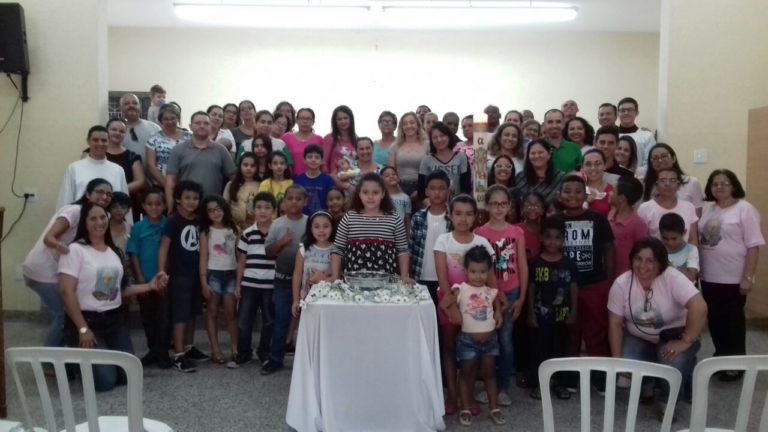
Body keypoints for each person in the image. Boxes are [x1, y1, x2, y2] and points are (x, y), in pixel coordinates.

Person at [59, 202, 166, 391]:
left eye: (102, 217)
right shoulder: (75, 250)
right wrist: (83, 329)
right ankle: (72, 359)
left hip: (114, 321)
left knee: (128, 375)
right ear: (84, 222)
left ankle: (97, 355)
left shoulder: (114, 252)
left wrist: (150, 286)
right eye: (93, 218)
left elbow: (118, 290)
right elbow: (66, 292)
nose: (99, 222)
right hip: (86, 321)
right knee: (105, 382)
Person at [607, 238, 707, 410]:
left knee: (673, 362)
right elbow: (615, 323)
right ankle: (649, 382)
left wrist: (686, 341)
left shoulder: (672, 277)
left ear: (660, 263)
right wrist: (617, 361)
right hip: (639, 337)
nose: (642, 265)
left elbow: (699, 306)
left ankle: (668, 401)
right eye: (638, 259)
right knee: (627, 361)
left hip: (675, 336)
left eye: (650, 260)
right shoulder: (621, 283)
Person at [23, 179, 113, 349]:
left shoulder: (94, 217)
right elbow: (49, 238)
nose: (105, 196)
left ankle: (65, 352)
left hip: (55, 271)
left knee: (70, 313)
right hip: (42, 271)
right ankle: (48, 360)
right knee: (65, 316)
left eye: (109, 194)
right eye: (100, 192)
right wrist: (63, 248)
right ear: (88, 194)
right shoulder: (75, 211)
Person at [698, 169, 764, 379]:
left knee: (732, 321)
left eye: (724, 183)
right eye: (715, 183)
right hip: (709, 277)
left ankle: (736, 364)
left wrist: (748, 277)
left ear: (733, 185)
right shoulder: (710, 209)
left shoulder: (745, 209)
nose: (719, 187)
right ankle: (721, 358)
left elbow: (753, 246)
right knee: (715, 320)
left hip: (733, 278)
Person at [435, 195, 496, 417]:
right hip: (450, 302)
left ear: (476, 217)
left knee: (471, 353)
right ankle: (452, 395)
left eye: (469, 214)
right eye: (458, 213)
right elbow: (443, 278)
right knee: (450, 348)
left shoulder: (482, 243)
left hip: (477, 306)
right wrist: (451, 306)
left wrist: (495, 308)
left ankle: (467, 398)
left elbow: (492, 281)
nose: (463, 219)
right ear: (450, 216)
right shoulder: (443, 241)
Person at [558, 174, 615, 392]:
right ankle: (571, 379)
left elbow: (609, 248)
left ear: (585, 195)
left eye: (577, 191)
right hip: (565, 286)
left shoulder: (597, 218)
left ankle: (600, 379)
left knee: (596, 333)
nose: (572, 196)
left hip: (594, 284)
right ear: (560, 195)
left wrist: (609, 279)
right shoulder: (555, 220)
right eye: (567, 191)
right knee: (570, 333)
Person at [474, 185, 528, 407]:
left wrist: (522, 298)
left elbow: (522, 265)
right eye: (494, 204)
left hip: (511, 291)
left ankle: (503, 387)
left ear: (509, 206)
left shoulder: (517, 232)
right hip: (486, 293)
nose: (498, 208)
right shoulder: (479, 234)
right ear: (487, 206)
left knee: (505, 340)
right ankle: (488, 386)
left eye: (503, 203)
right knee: (486, 340)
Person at [442, 246, 506, 426]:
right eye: (473, 271)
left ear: (489, 271)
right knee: (465, 374)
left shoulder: (490, 291)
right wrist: (451, 312)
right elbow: (444, 304)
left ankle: (494, 408)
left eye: (483, 272)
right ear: (466, 270)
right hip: (468, 342)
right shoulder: (460, 289)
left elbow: (500, 306)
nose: (478, 276)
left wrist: (500, 312)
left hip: (490, 341)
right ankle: (465, 408)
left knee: (490, 374)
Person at [158, 180, 208, 373]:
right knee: (180, 314)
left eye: (195, 198)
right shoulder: (173, 221)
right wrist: (162, 272)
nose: (191, 202)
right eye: (187, 198)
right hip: (179, 275)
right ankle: (178, 355)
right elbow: (164, 247)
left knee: (192, 312)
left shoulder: (199, 221)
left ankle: (188, 347)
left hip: (196, 274)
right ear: (178, 199)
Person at [526, 217, 579, 400]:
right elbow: (531, 288)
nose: (552, 242)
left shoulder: (569, 263)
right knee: (540, 350)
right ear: (541, 238)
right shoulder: (535, 263)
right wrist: (530, 313)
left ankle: (560, 383)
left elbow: (573, 287)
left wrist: (573, 311)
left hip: (562, 316)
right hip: (541, 316)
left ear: (563, 240)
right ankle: (538, 384)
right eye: (548, 237)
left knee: (561, 350)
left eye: (557, 238)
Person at [263, 185, 308, 375]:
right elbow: (268, 251)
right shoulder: (277, 224)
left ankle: (308, 361)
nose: (294, 202)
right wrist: (281, 243)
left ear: (305, 202)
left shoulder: (309, 223)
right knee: (281, 319)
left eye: (299, 198)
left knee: (308, 322)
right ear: (284, 201)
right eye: (290, 198)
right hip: (282, 281)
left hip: (306, 283)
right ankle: (275, 358)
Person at [330, 173, 410, 279]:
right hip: (354, 283)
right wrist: (335, 277)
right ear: (359, 193)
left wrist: (404, 277)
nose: (370, 197)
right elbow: (337, 250)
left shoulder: (394, 219)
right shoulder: (349, 218)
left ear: (383, 194)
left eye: (375, 192)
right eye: (365, 192)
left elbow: (402, 250)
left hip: (386, 283)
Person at [231, 192, 276, 368]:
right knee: (244, 321)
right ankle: (244, 353)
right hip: (249, 284)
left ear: (274, 210)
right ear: (253, 210)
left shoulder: (277, 232)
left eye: (267, 208)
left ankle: (264, 352)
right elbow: (241, 261)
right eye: (259, 207)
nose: (263, 211)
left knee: (269, 321)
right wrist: (238, 285)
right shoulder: (247, 234)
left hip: (270, 284)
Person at [126, 188, 170, 368]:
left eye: (158, 204)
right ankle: (153, 351)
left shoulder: (168, 225)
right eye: (150, 204)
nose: (154, 207)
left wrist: (164, 277)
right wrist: (141, 278)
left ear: (164, 205)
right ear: (143, 206)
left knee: (164, 318)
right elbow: (134, 253)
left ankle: (163, 352)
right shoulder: (138, 227)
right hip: (144, 281)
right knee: (147, 318)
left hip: (164, 280)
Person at [165, 111, 237, 209]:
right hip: (186, 208)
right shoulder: (178, 150)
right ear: (190, 126)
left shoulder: (221, 150)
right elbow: (170, 181)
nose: (202, 126)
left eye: (206, 123)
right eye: (198, 123)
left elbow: (234, 178)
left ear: (210, 126)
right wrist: (170, 207)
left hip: (212, 208)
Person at [199, 196, 239, 365]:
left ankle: (235, 348)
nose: (215, 213)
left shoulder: (234, 229)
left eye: (217, 209)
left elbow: (238, 255)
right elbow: (203, 258)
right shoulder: (206, 232)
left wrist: (239, 280)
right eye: (210, 211)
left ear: (224, 208)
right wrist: (203, 282)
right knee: (212, 312)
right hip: (213, 274)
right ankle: (215, 350)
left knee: (231, 313)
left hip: (231, 274)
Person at [58, 126, 128, 211]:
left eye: (104, 140)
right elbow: (66, 199)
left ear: (109, 142)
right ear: (88, 141)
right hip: (80, 217)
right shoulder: (74, 168)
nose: (100, 143)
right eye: (95, 140)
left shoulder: (118, 170)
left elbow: (125, 202)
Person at [410, 171, 452, 306]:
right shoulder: (418, 217)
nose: (437, 193)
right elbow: (411, 248)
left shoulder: (453, 218)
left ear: (448, 191)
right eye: (433, 188)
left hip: (448, 279)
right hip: (421, 276)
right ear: (426, 191)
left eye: (441, 188)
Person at [638, 168, 699, 245]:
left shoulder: (689, 207)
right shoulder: (644, 208)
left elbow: (693, 239)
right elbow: (642, 241)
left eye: (672, 180)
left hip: (685, 252)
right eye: (663, 180)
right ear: (656, 185)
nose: (667, 184)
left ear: (678, 185)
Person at [290, 211, 334, 317]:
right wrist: (296, 300)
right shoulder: (304, 249)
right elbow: (297, 274)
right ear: (310, 228)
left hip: (329, 300)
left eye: (326, 226)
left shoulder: (336, 250)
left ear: (332, 228)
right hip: (306, 300)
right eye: (317, 227)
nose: (321, 230)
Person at [643, 143, 705, 214]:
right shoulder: (646, 184)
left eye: (664, 156)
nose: (660, 160)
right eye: (655, 158)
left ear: (673, 158)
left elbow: (697, 215)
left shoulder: (691, 182)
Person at [418, 122, 471, 203]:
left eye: (442, 136)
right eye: (435, 137)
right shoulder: (426, 160)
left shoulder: (461, 157)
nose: (439, 140)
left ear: (448, 136)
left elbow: (466, 188)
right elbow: (421, 191)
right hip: (433, 205)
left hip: (457, 205)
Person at [608, 176, 649, 276]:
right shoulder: (610, 214)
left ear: (621, 198)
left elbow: (643, 253)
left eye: (613, 191)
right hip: (608, 275)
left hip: (627, 277)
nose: (609, 193)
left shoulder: (638, 224)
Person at [146, 103, 192, 188]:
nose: (170, 122)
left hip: (186, 184)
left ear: (178, 118)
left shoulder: (189, 137)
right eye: (166, 119)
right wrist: (168, 186)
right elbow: (151, 166)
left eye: (173, 118)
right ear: (161, 120)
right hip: (161, 184)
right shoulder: (153, 139)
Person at [388, 111, 429, 201]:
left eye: (412, 122)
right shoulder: (394, 146)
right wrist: (399, 190)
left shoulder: (427, 145)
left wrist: (420, 191)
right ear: (401, 128)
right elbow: (391, 171)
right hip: (399, 188)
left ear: (418, 125)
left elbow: (430, 170)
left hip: (422, 188)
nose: (408, 126)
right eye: (405, 124)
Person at [514, 139, 566, 205]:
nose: (537, 156)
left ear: (549, 155)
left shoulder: (560, 177)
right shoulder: (520, 177)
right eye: (533, 153)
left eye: (540, 152)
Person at [224, 152, 261, 231]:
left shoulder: (261, 185)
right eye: (245, 165)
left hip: (256, 228)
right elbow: (224, 206)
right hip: (234, 228)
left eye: (252, 166)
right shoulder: (231, 185)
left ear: (257, 168)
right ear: (240, 166)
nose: (248, 168)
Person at [293, 145, 334, 216]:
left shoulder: (328, 180)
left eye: (317, 157)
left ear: (321, 161)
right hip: (302, 218)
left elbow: (331, 201)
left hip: (322, 218)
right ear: (304, 160)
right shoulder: (298, 180)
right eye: (310, 157)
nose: (313, 160)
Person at [283, 107, 324, 177]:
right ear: (297, 120)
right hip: (291, 179)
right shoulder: (286, 138)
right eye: (302, 118)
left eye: (308, 119)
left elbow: (323, 162)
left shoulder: (319, 139)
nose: (305, 121)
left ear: (313, 122)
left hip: (314, 179)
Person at [617, 97, 656, 169]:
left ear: (637, 113)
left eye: (630, 110)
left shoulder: (647, 136)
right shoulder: (611, 136)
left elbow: (649, 162)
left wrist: (634, 174)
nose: (626, 113)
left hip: (639, 175)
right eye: (623, 110)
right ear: (618, 113)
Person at [660, 213, 699, 282]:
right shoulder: (658, 250)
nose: (670, 242)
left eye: (674, 238)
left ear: (684, 232)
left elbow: (691, 277)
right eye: (665, 238)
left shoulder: (691, 250)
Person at [119, 93, 160, 160]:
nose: (131, 105)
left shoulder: (154, 128)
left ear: (139, 107)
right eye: (126, 103)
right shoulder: (115, 131)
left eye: (135, 103)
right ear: (120, 108)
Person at [542, 109, 582, 173]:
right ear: (544, 125)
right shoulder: (538, 147)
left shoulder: (574, 148)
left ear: (564, 124)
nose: (554, 125)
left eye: (558, 122)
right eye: (550, 122)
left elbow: (581, 173)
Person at [324, 105, 358, 178]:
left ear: (351, 119)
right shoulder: (329, 138)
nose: (343, 121)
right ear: (335, 121)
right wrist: (329, 179)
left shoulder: (356, 139)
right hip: (334, 180)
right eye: (339, 119)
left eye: (346, 118)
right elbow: (323, 164)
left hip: (353, 180)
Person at [582, 149, 614, 216]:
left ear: (605, 166)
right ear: (582, 167)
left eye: (598, 163)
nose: (593, 168)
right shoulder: (576, 189)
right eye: (588, 164)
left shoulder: (612, 192)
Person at [380, 166, 412, 234]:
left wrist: (408, 236)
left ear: (398, 178)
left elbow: (407, 219)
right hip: (385, 232)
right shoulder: (381, 197)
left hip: (400, 233)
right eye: (387, 176)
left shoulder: (405, 197)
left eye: (394, 174)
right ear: (381, 181)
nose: (391, 176)